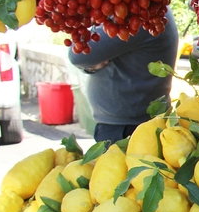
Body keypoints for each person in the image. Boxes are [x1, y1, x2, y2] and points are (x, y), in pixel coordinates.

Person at [67, 9, 179, 142]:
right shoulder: (150, 11)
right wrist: (91, 65)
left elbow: (78, 54)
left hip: (127, 129)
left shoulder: (140, 14)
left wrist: (91, 62)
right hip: (127, 125)